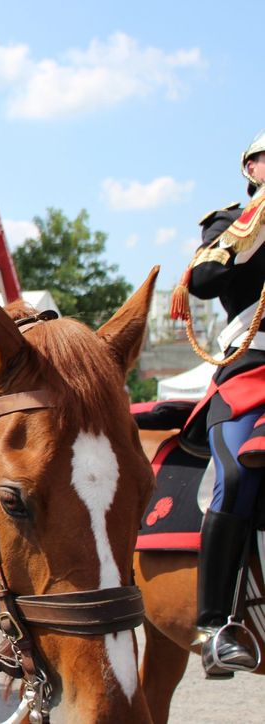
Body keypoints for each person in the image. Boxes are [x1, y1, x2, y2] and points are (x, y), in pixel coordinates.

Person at [183, 128, 265, 676]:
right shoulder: (232, 220)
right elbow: (204, 280)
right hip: (253, 362)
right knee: (237, 477)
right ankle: (214, 625)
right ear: (251, 169)